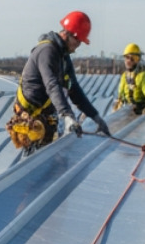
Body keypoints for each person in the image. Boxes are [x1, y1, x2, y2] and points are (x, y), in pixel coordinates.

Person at [10, 11, 110, 155]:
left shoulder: (63, 56)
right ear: (68, 35)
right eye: (78, 41)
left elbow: (73, 89)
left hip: (45, 113)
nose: (78, 45)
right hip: (30, 116)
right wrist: (67, 116)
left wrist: (94, 116)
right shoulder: (47, 51)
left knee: (48, 157)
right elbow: (52, 85)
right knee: (33, 160)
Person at [117, 42, 145, 117]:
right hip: (128, 110)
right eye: (127, 58)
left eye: (132, 58)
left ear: (137, 60)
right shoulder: (124, 76)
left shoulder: (144, 75)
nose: (128, 61)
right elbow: (120, 97)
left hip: (141, 111)